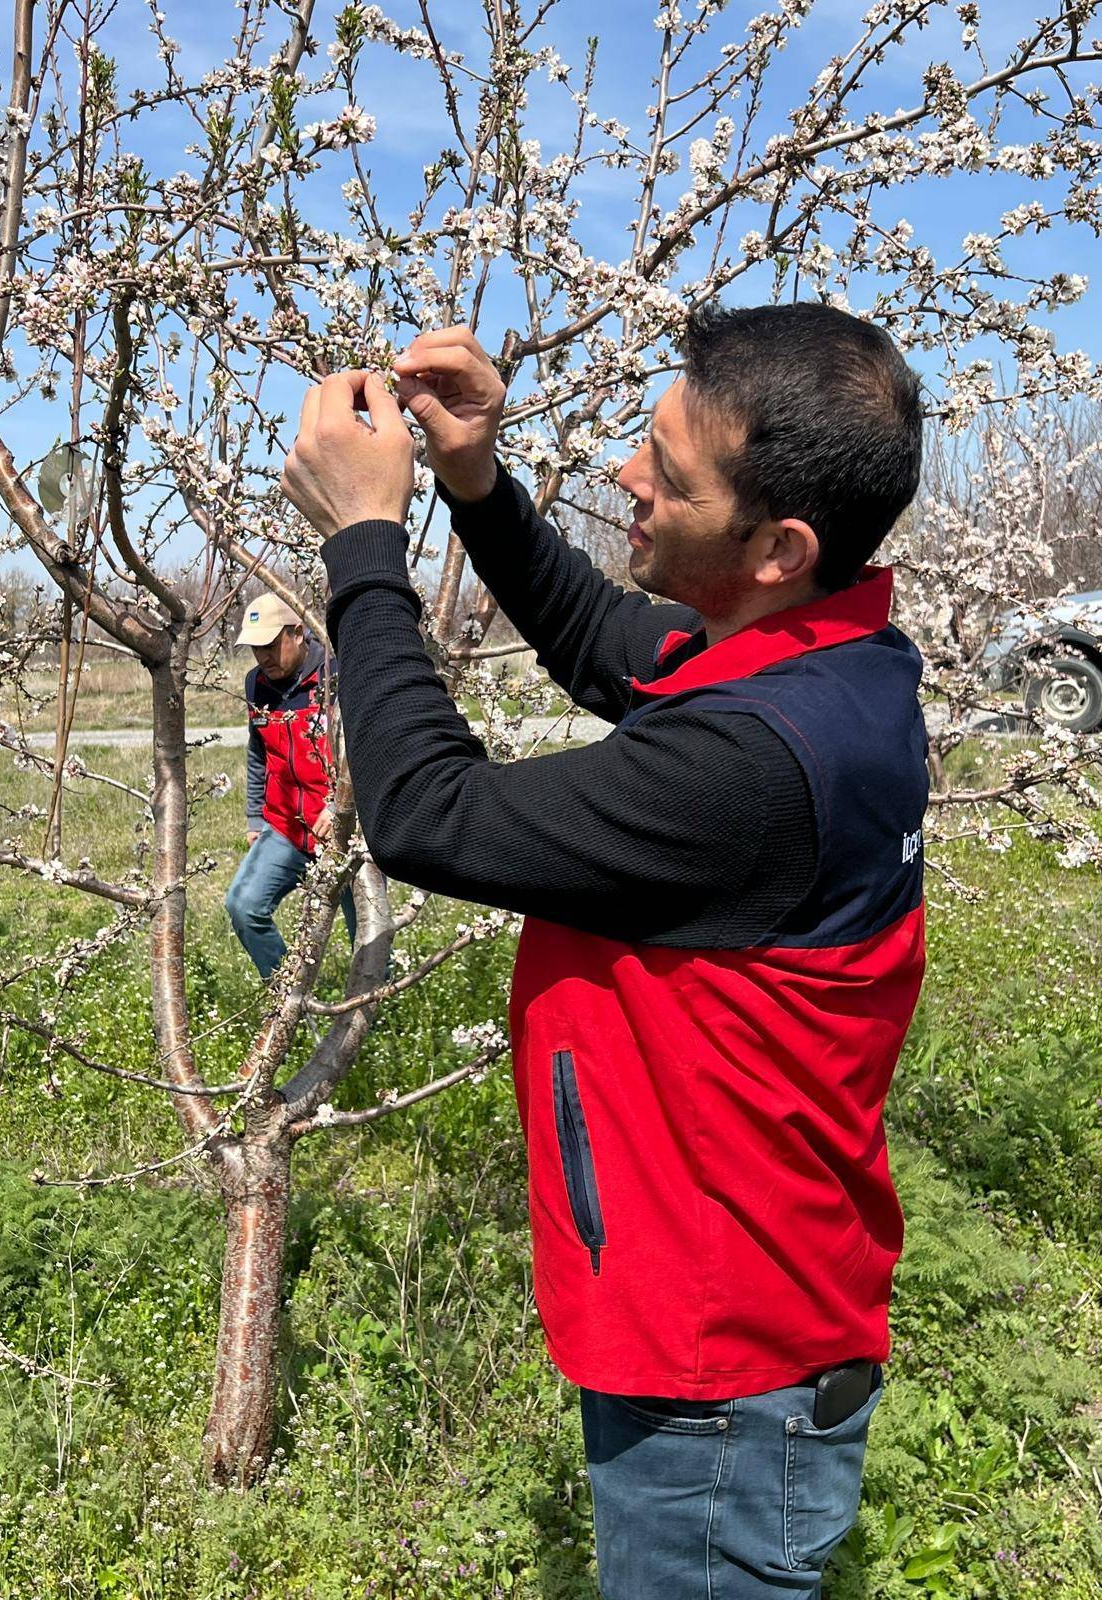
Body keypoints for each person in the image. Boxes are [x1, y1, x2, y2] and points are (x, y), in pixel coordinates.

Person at [280, 304, 928, 1599]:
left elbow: (428, 813)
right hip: (745, 1325)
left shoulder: (753, 766)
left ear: (779, 546)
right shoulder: (821, 658)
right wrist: (474, 479)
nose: (625, 478)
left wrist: (362, 542)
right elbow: (597, 639)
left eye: (667, 475)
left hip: (721, 1381)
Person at [225, 591, 355, 980]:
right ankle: (287, 995)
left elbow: (366, 755)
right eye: (254, 649)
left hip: (345, 828)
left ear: (297, 633)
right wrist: (254, 817)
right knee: (243, 905)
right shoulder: (257, 685)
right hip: (286, 826)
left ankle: (375, 1014)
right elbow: (257, 753)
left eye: (270, 645)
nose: (262, 657)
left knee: (365, 932)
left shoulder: (337, 678)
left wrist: (341, 809)